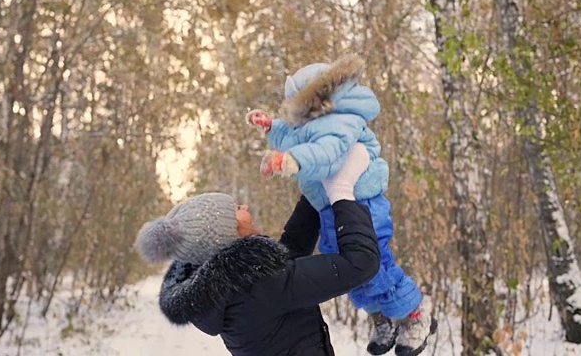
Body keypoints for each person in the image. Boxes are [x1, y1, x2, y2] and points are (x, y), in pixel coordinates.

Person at [245, 53, 436, 355]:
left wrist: (291, 161)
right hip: (332, 208)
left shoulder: (341, 122)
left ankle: (414, 315)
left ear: (313, 99)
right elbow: (296, 137)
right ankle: (382, 316)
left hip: (364, 205)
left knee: (375, 261)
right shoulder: (312, 123)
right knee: (343, 265)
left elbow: (327, 152)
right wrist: (271, 128)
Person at [135, 144, 380, 356]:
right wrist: (342, 192)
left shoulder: (227, 285)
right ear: (231, 233)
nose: (246, 207)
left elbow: (288, 255)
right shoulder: (259, 284)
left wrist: (314, 194)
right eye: (237, 208)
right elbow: (360, 263)